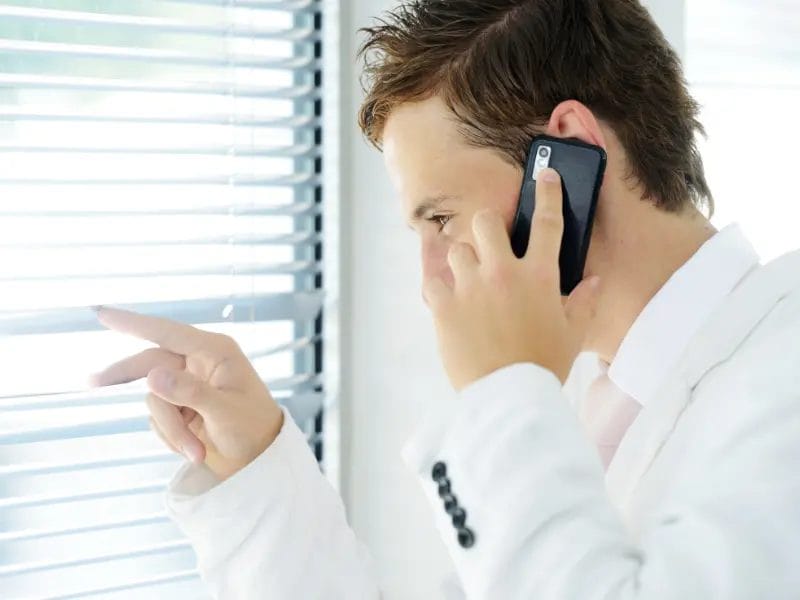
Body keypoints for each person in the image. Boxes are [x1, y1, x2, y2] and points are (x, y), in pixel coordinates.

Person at [89, 1, 800, 598]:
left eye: (441, 218)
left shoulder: (782, 374)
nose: (430, 281)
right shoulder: (589, 406)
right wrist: (255, 473)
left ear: (566, 157)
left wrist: (504, 389)